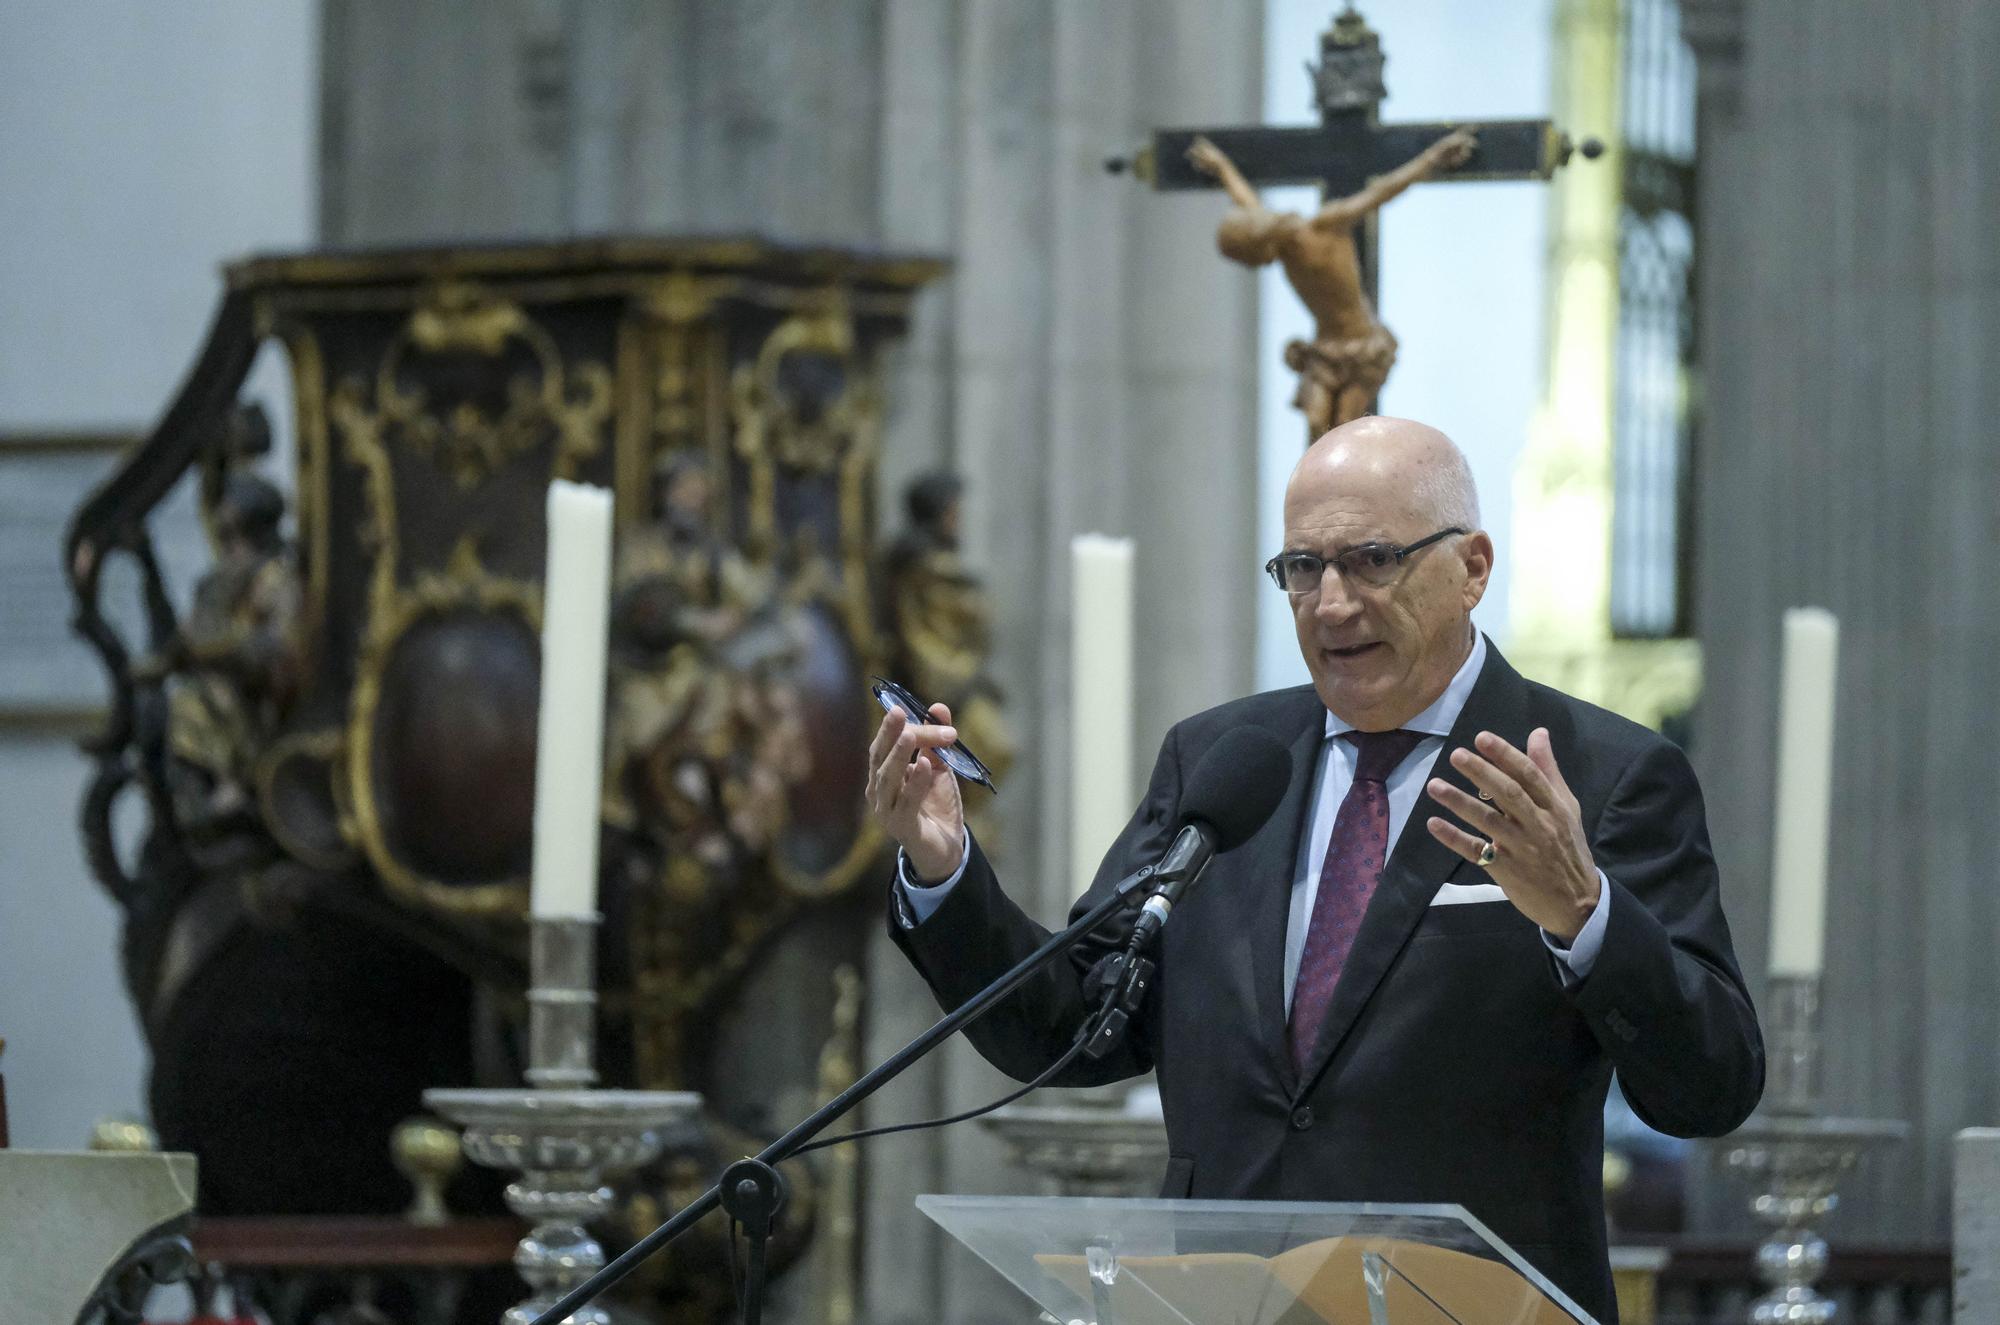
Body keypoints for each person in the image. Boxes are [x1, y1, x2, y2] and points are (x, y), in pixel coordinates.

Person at [865, 416, 1763, 1322]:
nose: (1331, 603)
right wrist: (945, 870)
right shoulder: (1225, 761)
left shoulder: (1598, 776)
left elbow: (1711, 1083)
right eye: (1302, 567)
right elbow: (1071, 1022)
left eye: (1373, 559)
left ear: (1473, 569)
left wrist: (1587, 914)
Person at [1186, 129, 1475, 433]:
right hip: (1325, 348)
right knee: (1315, 422)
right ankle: (1314, 481)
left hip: (1363, 346)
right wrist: (1222, 167)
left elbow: (1380, 193)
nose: (1264, 265)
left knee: (1343, 430)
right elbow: (1245, 202)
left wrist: (1432, 159)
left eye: (1257, 259)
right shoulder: (1281, 245)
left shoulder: (1325, 226)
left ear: (1262, 243)